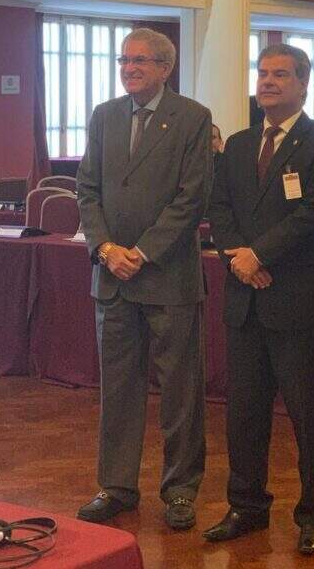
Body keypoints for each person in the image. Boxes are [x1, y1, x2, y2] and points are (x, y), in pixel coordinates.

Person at [206, 43, 314, 556]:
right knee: (243, 412)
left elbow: (313, 212)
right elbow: (219, 209)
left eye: (280, 74)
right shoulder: (240, 144)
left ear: (303, 84)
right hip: (245, 300)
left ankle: (313, 514)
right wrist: (239, 258)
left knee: (309, 416)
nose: (267, 82)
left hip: (299, 302)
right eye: (263, 73)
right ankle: (246, 505)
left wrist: (258, 255)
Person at [76, 28, 212, 530]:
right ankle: (116, 486)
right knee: (117, 390)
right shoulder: (104, 116)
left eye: (140, 61)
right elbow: (86, 189)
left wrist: (142, 252)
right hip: (112, 279)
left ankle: (180, 490)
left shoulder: (192, 118)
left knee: (180, 392)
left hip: (169, 279)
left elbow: (191, 197)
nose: (129, 68)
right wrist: (106, 248)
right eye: (124, 60)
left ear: (164, 68)